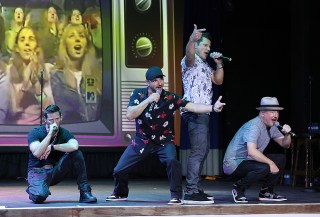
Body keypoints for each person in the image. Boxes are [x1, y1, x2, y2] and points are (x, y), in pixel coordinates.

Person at [105, 66, 225, 205]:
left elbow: (191, 106)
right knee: (119, 170)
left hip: (164, 140)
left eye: (161, 79)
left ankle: (176, 196)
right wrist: (148, 100)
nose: (160, 83)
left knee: (173, 162)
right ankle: (120, 193)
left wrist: (212, 108)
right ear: (147, 82)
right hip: (142, 139)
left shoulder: (170, 97)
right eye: (155, 80)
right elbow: (130, 115)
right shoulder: (138, 94)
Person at [181, 24, 224, 204]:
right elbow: (190, 55)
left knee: (203, 150)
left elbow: (218, 80)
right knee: (199, 151)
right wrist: (192, 39)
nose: (208, 48)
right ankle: (191, 191)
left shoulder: (205, 65)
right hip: (194, 112)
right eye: (204, 45)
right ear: (197, 45)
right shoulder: (189, 61)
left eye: (209, 46)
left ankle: (196, 188)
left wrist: (219, 63)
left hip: (205, 113)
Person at [223, 97, 292, 203]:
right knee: (265, 166)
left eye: (277, 112)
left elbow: (285, 144)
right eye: (272, 111)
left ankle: (266, 192)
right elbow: (252, 152)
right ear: (262, 113)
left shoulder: (272, 126)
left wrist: (287, 134)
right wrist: (270, 163)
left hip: (249, 161)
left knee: (280, 158)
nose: (276, 115)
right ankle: (239, 188)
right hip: (234, 164)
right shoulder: (254, 126)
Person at [26, 104, 97, 204]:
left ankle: (85, 192)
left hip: (54, 172)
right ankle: (34, 189)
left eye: (57, 118)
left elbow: (74, 146)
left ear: (61, 117)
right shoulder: (36, 133)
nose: (54, 122)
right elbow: (37, 152)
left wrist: (53, 147)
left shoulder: (64, 133)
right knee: (39, 197)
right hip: (37, 173)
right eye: (51, 119)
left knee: (76, 153)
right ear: (45, 119)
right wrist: (50, 133)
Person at [0, 26, 54, 124]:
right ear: (16, 48)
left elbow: (52, 112)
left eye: (31, 39)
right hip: (16, 130)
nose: (27, 43)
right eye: (22, 39)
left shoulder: (46, 69)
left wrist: (37, 90)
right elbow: (11, 112)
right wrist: (26, 82)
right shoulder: (9, 71)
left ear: (37, 46)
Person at [50, 23, 102, 123]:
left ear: (86, 45)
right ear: (65, 45)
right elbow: (65, 113)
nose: (77, 39)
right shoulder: (57, 76)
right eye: (71, 36)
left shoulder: (91, 76)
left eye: (81, 36)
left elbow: (91, 114)